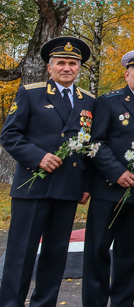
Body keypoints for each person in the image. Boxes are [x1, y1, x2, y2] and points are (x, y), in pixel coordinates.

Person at [0, 37, 94, 307]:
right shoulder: (31, 93)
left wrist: (85, 184)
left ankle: (45, 304)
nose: (67, 68)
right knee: (21, 255)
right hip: (33, 187)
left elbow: (90, 147)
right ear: (50, 67)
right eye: (61, 63)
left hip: (67, 189)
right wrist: (38, 157)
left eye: (73, 63)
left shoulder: (87, 100)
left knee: (55, 256)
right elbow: (10, 135)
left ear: (79, 68)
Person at [82, 49, 134, 307]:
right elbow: (96, 143)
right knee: (97, 253)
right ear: (127, 74)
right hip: (109, 192)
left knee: (132, 255)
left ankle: (122, 303)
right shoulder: (109, 101)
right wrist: (117, 172)